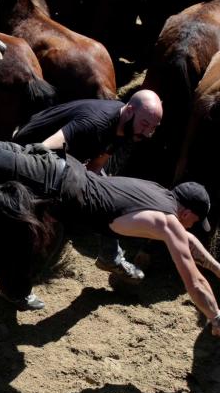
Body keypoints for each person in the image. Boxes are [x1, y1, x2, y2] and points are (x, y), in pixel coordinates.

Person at [0, 11, 220, 352]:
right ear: (187, 213)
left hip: (62, 171)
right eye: (195, 222)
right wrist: (217, 320)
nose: (191, 229)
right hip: (52, 177)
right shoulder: (166, 221)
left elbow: (191, 249)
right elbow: (192, 279)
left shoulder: (158, 194)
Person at [13, 87, 164, 292]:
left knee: (110, 196)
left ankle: (110, 257)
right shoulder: (95, 123)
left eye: (153, 128)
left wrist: (93, 193)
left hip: (63, 160)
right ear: (129, 110)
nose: (147, 133)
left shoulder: (126, 127)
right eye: (145, 124)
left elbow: (97, 166)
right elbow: (43, 148)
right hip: (27, 155)